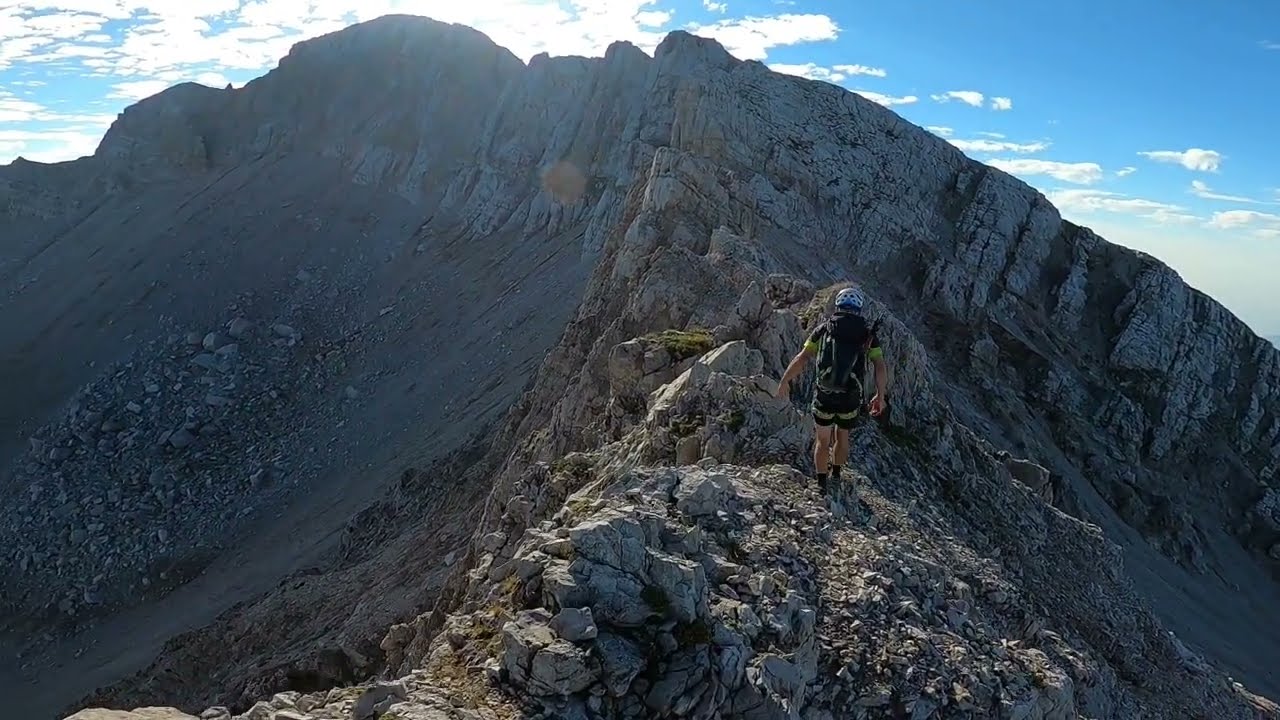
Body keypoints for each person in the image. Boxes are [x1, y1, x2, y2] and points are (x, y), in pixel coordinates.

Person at [774, 286, 888, 490]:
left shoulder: (823, 329)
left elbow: (802, 358)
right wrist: (880, 395)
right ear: (859, 309)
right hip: (850, 397)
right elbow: (879, 365)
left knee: (822, 439)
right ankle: (836, 473)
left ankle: (821, 482)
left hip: (824, 395)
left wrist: (785, 381)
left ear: (837, 305)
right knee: (842, 436)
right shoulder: (867, 335)